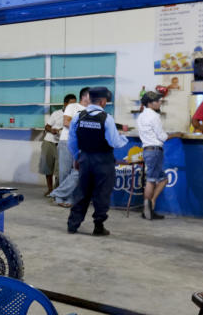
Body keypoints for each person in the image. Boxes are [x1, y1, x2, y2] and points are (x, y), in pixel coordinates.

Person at [66, 87, 128, 236]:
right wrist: (123, 138)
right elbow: (114, 142)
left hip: (85, 158)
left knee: (82, 192)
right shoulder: (106, 118)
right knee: (102, 193)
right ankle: (98, 226)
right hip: (103, 160)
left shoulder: (78, 117)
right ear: (102, 101)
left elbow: (71, 141)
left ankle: (73, 225)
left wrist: (77, 157)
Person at [136, 91, 183, 220]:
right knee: (151, 180)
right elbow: (162, 136)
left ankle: (150, 205)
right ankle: (147, 210)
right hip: (155, 150)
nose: (160, 102)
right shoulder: (154, 116)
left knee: (163, 179)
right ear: (150, 103)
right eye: (157, 101)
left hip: (146, 150)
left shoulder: (141, 116)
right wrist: (175, 134)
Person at [48, 88, 90, 208]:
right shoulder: (72, 107)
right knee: (64, 172)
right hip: (67, 141)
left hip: (82, 144)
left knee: (78, 171)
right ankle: (63, 198)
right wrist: (85, 125)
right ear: (85, 96)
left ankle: (58, 193)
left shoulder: (91, 110)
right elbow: (66, 122)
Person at [40, 97, 70, 195]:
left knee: (60, 169)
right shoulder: (56, 113)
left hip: (63, 144)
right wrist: (52, 130)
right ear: (65, 103)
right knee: (47, 167)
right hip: (49, 142)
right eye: (70, 103)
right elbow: (47, 127)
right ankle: (50, 189)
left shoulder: (75, 115)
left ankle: (57, 191)